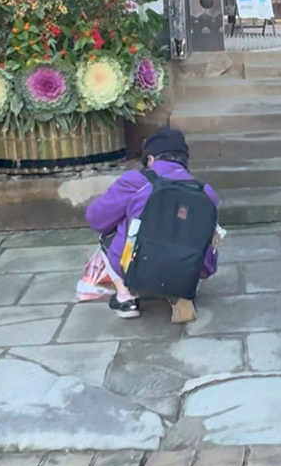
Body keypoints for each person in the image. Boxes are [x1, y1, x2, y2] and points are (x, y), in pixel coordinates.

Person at [83, 128, 221, 324]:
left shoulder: (136, 181)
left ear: (151, 159)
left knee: (111, 231)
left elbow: (96, 219)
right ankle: (181, 291)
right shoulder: (206, 192)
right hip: (192, 266)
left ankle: (126, 298)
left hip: (139, 262)